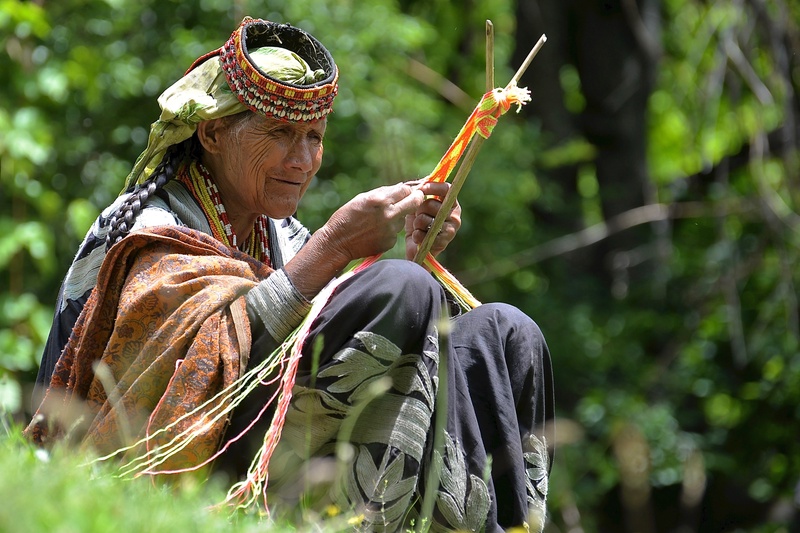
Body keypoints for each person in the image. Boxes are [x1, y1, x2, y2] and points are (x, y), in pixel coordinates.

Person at [26, 17, 554, 532]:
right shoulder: (150, 228)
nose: (302, 159)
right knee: (403, 287)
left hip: (271, 430)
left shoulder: (280, 235)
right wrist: (338, 245)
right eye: (281, 132)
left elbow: (336, 341)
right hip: (190, 457)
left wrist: (415, 254)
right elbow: (190, 376)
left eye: (314, 138)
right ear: (212, 132)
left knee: (505, 332)